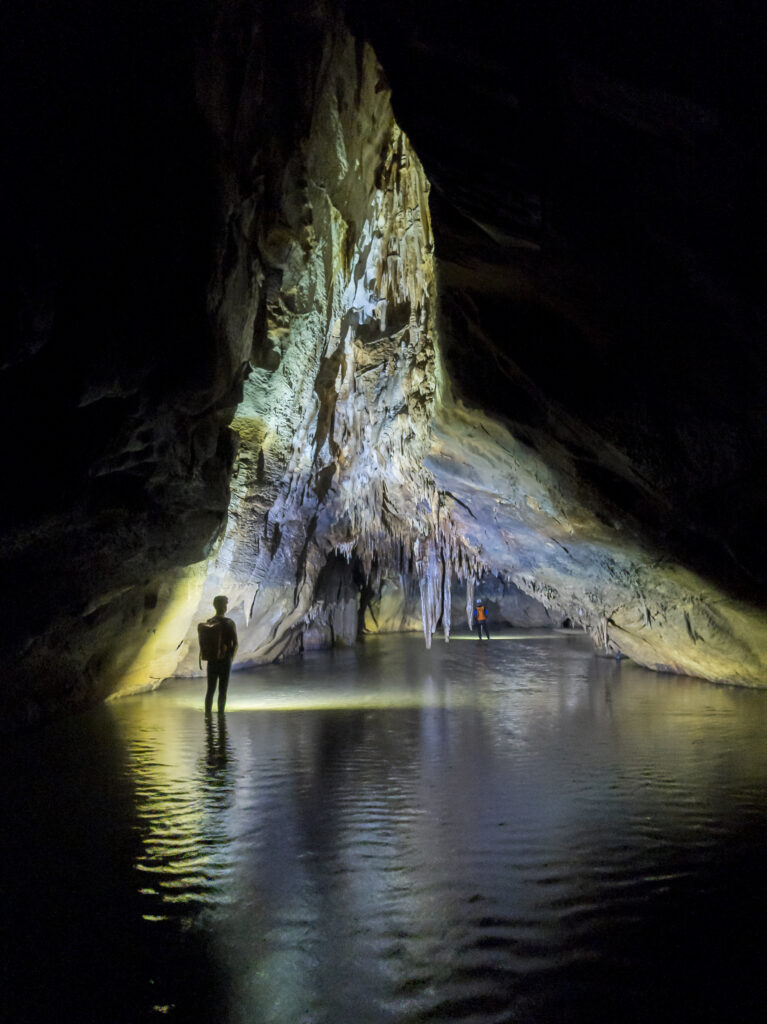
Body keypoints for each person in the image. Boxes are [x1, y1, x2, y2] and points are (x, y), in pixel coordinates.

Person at [203, 595, 238, 714]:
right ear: (224, 607)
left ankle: (207, 718)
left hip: (212, 660)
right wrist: (230, 659)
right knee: (222, 691)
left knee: (210, 690)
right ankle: (221, 718)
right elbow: (236, 644)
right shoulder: (229, 623)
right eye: (225, 604)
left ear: (215, 606)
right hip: (225, 660)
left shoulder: (209, 622)